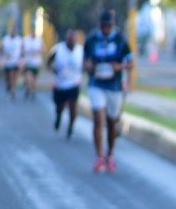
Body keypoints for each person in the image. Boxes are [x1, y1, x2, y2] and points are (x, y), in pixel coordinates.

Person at [84, 10, 133, 173]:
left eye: (109, 26)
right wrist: (88, 66)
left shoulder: (120, 40)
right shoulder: (92, 39)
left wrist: (120, 67)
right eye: (104, 25)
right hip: (96, 84)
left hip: (114, 86)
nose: (106, 28)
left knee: (112, 122)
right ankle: (99, 157)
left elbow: (130, 62)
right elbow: (85, 61)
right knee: (98, 119)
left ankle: (110, 154)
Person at [47, 29, 83, 139]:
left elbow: (87, 62)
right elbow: (49, 61)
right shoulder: (58, 49)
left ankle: (71, 127)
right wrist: (53, 70)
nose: (71, 41)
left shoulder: (81, 50)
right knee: (59, 106)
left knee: (73, 106)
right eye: (69, 39)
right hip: (60, 84)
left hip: (74, 83)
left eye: (73, 39)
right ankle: (58, 116)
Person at [0, 25, 23, 100]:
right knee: (7, 76)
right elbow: (0, 48)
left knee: (13, 76)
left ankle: (13, 91)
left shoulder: (19, 39)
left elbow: (22, 49)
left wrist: (22, 59)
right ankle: (9, 85)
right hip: (7, 61)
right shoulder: (5, 39)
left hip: (15, 61)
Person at [22, 30, 44, 100]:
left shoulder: (39, 40)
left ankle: (33, 91)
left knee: (34, 79)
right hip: (28, 62)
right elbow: (22, 48)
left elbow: (43, 49)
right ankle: (29, 87)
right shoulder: (26, 39)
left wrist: (38, 51)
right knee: (28, 77)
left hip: (36, 63)